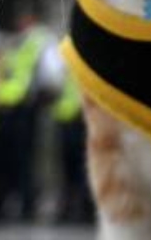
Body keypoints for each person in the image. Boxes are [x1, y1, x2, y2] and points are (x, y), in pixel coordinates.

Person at [0, 13, 55, 221]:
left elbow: (50, 74)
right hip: (6, 106)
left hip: (25, 107)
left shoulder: (39, 40)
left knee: (24, 159)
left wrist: (43, 97)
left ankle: (25, 206)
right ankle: (3, 204)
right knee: (5, 159)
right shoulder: (16, 43)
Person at [51, 69, 93, 224]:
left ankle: (84, 207)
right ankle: (69, 206)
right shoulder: (63, 58)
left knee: (83, 166)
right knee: (66, 167)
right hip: (66, 118)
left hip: (82, 119)